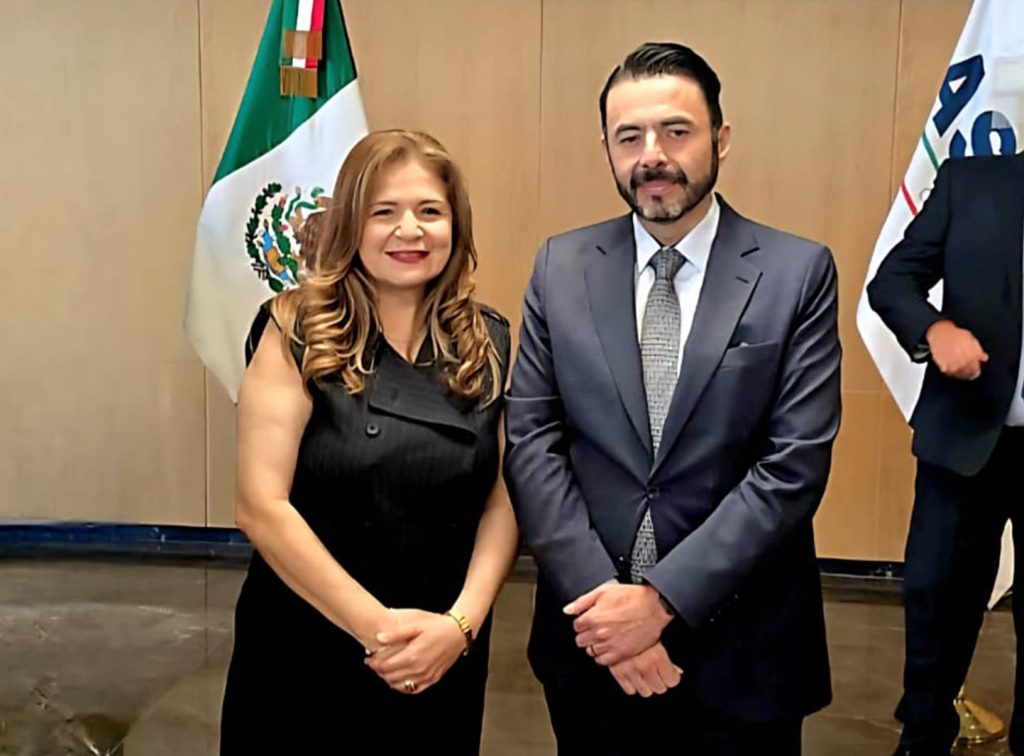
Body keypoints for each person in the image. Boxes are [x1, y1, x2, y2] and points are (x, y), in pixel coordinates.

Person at [504, 42, 841, 754]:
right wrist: (608, 613)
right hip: (591, 641)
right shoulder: (560, 266)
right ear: (606, 147)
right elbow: (532, 442)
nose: (652, 156)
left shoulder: (796, 272)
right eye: (629, 137)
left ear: (721, 137)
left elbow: (793, 466)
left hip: (744, 650)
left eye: (676, 131)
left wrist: (658, 603)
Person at [220, 130, 519, 754]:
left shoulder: (485, 338)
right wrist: (379, 631)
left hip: (442, 647)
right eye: (384, 211)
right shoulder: (296, 329)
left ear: (455, 226)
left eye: (429, 211)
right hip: (310, 644)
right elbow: (260, 506)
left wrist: (462, 625)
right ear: (351, 224)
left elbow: (502, 496)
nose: (409, 230)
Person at [867, 152, 1024, 756]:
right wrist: (934, 331)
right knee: (937, 595)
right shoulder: (971, 182)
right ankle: (925, 733)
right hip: (964, 431)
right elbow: (892, 281)